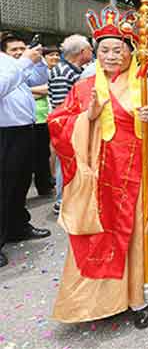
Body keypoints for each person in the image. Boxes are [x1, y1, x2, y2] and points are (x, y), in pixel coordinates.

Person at [48, 7, 148, 327]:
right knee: (95, 237)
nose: (110, 56)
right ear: (95, 52)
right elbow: (58, 123)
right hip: (99, 178)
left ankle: (137, 299)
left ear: (130, 52)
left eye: (118, 50)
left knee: (133, 238)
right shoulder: (83, 87)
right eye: (104, 50)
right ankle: (94, 302)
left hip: (136, 178)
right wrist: (87, 116)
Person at [0, 32, 51, 269]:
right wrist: (22, 62)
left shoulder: (17, 66)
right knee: (4, 187)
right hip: (5, 133)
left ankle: (17, 226)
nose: (20, 52)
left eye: (23, 48)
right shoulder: (8, 67)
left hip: (25, 130)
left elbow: (41, 80)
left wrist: (37, 60)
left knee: (20, 184)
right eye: (14, 50)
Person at [49, 34, 94, 215]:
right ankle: (62, 200)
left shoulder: (74, 70)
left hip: (77, 123)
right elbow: (62, 106)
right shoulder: (62, 72)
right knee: (65, 162)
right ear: (82, 52)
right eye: (91, 49)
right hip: (67, 125)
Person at [29, 45, 61, 197]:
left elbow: (48, 89)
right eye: (51, 55)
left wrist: (26, 89)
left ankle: (47, 183)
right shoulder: (33, 70)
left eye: (56, 54)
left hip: (46, 116)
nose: (54, 58)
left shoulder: (52, 71)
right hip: (32, 117)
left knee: (45, 151)